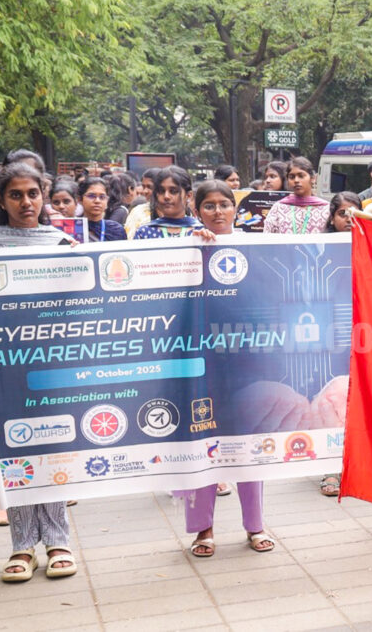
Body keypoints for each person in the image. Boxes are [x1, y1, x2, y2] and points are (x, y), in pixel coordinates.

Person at [138, 180, 275, 556]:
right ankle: (203, 530)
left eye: (225, 204)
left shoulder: (256, 246)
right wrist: (191, 250)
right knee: (200, 444)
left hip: (247, 360)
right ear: (197, 211)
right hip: (198, 363)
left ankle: (256, 525)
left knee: (249, 446)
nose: (218, 212)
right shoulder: (185, 246)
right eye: (209, 206)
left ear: (236, 209)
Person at [0, 162, 79, 582]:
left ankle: (58, 540)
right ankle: (21, 546)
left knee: (54, 443)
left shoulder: (62, 241)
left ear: (43, 196)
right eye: (16, 194)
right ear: (1, 199)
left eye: (33, 193)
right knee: (11, 450)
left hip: (53, 362)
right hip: (2, 367)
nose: (26, 202)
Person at [133, 166, 204, 239]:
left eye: (173, 191)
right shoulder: (144, 233)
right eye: (161, 191)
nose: (166, 196)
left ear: (188, 196)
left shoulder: (201, 232)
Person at [263, 158, 329, 235]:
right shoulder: (278, 208)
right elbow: (267, 237)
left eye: (301, 176)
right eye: (292, 177)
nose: (296, 180)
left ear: (313, 179)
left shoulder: (326, 209)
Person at [78, 177, 127, 242]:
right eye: (91, 196)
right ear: (80, 199)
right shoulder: (73, 228)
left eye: (102, 197)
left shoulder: (116, 230)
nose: (97, 201)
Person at [124, 168, 159, 237]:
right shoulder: (138, 212)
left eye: (149, 187)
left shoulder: (174, 212)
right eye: (143, 187)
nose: (145, 191)